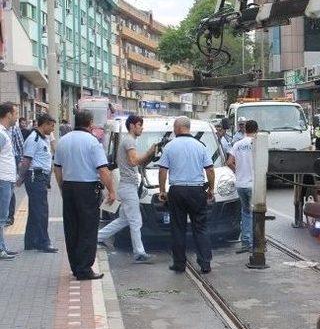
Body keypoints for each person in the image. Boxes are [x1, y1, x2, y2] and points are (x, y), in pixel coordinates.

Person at [53, 110, 116, 280]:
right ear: (90, 123)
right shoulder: (92, 142)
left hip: (69, 187)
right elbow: (102, 169)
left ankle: (75, 266)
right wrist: (111, 190)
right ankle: (85, 269)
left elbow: (57, 168)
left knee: (72, 227)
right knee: (88, 228)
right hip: (87, 189)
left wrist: (61, 187)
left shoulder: (63, 141)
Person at [158, 117, 216, 274]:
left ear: (177, 128)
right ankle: (205, 263)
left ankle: (179, 263)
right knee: (201, 227)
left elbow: (163, 170)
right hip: (197, 191)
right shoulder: (200, 146)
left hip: (177, 191)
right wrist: (211, 189)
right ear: (188, 128)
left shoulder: (170, 146)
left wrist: (162, 190)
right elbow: (210, 170)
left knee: (178, 227)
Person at [97, 115, 156, 263]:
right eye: (139, 125)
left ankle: (97, 237)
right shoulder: (129, 141)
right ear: (131, 126)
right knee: (136, 221)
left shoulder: (129, 141)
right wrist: (148, 152)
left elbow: (136, 163)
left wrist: (150, 156)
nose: (141, 128)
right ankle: (139, 253)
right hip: (128, 187)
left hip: (127, 186)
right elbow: (134, 160)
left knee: (124, 220)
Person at [18, 114, 58, 253]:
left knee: (35, 210)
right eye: (51, 126)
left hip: (40, 177)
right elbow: (26, 160)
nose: (52, 129)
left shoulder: (43, 138)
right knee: (41, 211)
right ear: (44, 124)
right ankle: (43, 242)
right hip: (35, 177)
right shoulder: (34, 139)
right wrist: (20, 178)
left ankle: (31, 241)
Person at [227, 119, 257, 254]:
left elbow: (229, 162)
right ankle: (255, 242)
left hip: (241, 184)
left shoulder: (237, 144)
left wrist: (237, 171)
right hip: (254, 184)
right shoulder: (258, 144)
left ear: (245, 130)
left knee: (245, 212)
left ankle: (246, 242)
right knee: (257, 213)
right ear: (257, 130)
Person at [0, 103, 20, 260]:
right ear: (8, 115)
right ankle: (1, 249)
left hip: (6, 179)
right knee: (1, 216)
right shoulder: (1, 133)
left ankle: (2, 247)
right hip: (2, 180)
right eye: (15, 113)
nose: (17, 117)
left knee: (3, 216)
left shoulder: (5, 132)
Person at [6, 118, 25, 226]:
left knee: (9, 188)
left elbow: (21, 147)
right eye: (15, 114)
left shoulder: (14, 128)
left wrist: (21, 163)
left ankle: (10, 216)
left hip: (12, 159)